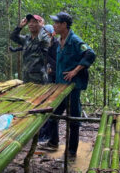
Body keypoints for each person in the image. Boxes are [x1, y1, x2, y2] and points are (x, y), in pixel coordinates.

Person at [41, 12, 96, 159]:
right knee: (52, 115)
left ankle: (71, 151)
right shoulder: (59, 40)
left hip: (72, 87)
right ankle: (53, 142)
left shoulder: (75, 40)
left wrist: (75, 71)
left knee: (73, 119)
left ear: (64, 25)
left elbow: (90, 54)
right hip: (60, 87)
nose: (54, 25)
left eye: (57, 23)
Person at [10, 14, 50, 84]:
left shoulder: (45, 37)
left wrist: (42, 28)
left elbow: (41, 41)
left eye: (34, 22)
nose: (31, 24)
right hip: (26, 77)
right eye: (29, 22)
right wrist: (20, 26)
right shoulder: (27, 39)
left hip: (39, 79)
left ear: (40, 24)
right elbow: (13, 37)